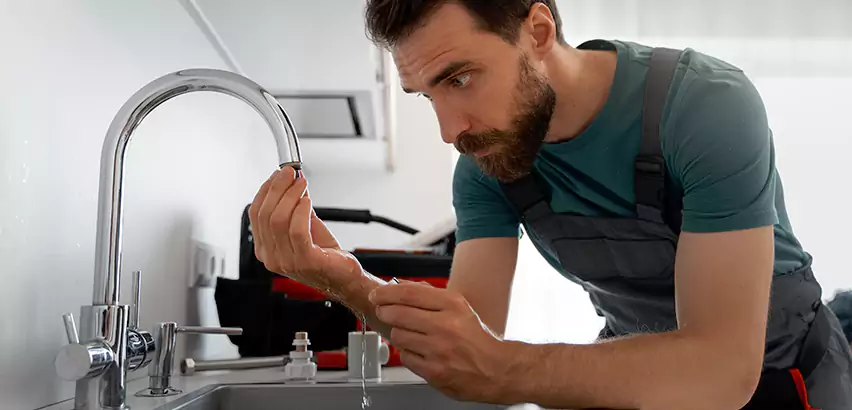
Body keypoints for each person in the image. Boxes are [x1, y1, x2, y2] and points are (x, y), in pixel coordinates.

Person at [248, 1, 852, 409]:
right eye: (425, 94)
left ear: (537, 32)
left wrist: (508, 368)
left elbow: (722, 370)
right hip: (638, 373)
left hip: (789, 375)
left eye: (459, 79)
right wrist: (343, 280)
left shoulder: (704, 107)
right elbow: (468, 337)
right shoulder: (486, 163)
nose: (448, 129)